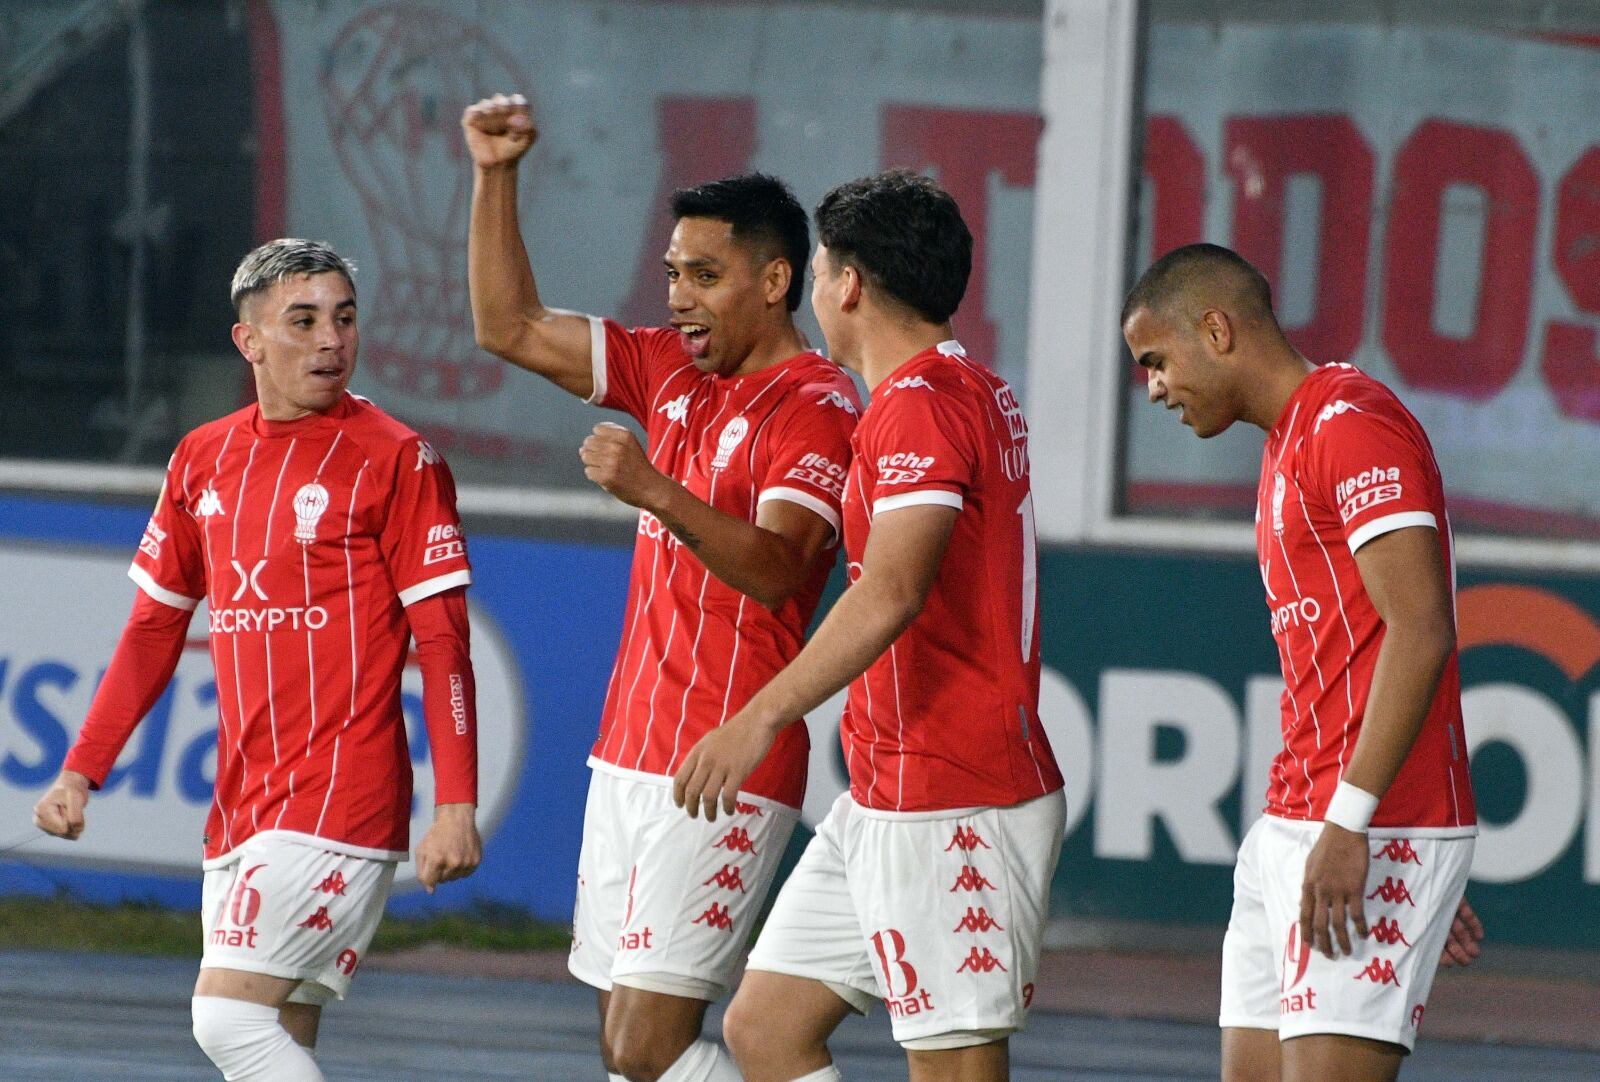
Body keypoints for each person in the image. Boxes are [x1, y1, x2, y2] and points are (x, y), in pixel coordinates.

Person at [463, 94, 859, 1082]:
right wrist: (496, 174)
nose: (677, 294)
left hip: (724, 755)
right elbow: (505, 324)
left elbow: (778, 570)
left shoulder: (814, 406)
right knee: (625, 1047)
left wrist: (652, 488)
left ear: (775, 280)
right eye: (674, 270)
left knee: (646, 1045)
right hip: (628, 753)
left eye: (705, 274)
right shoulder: (667, 371)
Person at [31, 238, 482, 1082]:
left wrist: (456, 802)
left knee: (226, 1018)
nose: (330, 341)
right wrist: (80, 771)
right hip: (242, 803)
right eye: (303, 321)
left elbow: (445, 643)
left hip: (341, 796)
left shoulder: (398, 459)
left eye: (344, 319)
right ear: (249, 342)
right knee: (276, 1041)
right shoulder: (203, 459)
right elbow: (152, 631)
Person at [674, 170, 1067, 1082]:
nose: (814, 291)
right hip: (890, 788)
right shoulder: (962, 388)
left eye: (815, 270)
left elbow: (891, 591)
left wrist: (760, 716)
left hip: (957, 790)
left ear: (848, 283)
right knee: (764, 1030)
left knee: (954, 1064)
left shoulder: (920, 406)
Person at [1120, 243, 1485, 1082]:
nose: (1156, 389)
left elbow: (1421, 629)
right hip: (1298, 821)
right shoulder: (1290, 439)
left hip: (1365, 823)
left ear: (1216, 330)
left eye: (1157, 361)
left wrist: (1360, 828)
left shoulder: (1350, 423)